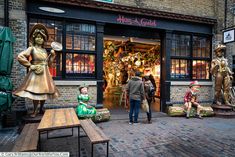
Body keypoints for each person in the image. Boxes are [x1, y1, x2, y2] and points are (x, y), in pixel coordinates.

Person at [13, 23, 60, 117]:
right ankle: (35, 110)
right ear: (34, 38)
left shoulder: (44, 51)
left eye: (41, 37)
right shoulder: (32, 48)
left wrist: (53, 56)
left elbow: (49, 64)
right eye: (38, 37)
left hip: (45, 73)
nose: (39, 39)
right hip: (35, 73)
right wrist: (30, 65)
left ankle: (41, 108)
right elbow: (20, 56)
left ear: (44, 40)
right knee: (36, 92)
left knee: (44, 92)